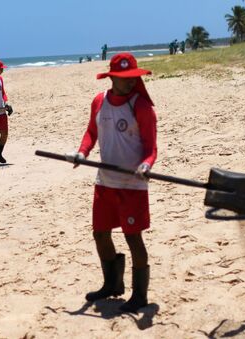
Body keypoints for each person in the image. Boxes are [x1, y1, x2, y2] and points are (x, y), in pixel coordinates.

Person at [66, 53, 157, 313]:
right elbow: (91, 132)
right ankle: (112, 283)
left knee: (133, 238)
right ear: (112, 77)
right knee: (100, 234)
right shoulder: (100, 102)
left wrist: (146, 165)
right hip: (105, 182)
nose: (130, 82)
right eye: (125, 78)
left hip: (132, 185)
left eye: (133, 78)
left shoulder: (142, 107)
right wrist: (82, 153)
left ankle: (139, 295)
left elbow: (151, 147)